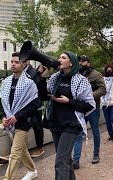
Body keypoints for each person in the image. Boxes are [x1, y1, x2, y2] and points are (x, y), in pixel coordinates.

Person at [46, 51, 95, 180]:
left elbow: (89, 105)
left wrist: (69, 101)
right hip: (56, 123)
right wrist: (41, 76)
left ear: (71, 62)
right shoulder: (55, 78)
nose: (59, 59)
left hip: (71, 124)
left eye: (63, 57)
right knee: (66, 159)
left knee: (60, 161)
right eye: (59, 57)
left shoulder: (81, 80)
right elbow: (43, 95)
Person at [0, 52, 40, 180]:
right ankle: (32, 171)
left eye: (16, 62)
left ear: (24, 64)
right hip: (9, 121)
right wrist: (3, 117)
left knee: (15, 153)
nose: (13, 64)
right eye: (12, 62)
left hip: (23, 122)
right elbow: (2, 102)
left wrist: (17, 116)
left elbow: (34, 105)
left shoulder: (29, 83)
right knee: (21, 149)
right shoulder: (6, 82)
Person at [73, 55, 106, 168]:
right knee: (78, 133)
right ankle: (76, 160)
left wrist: (89, 96)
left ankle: (96, 154)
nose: (80, 64)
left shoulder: (96, 75)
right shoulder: (77, 75)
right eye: (79, 62)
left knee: (95, 131)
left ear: (88, 63)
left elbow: (102, 89)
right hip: (81, 109)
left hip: (93, 109)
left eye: (82, 62)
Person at [101, 64, 113, 142]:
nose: (109, 71)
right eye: (107, 69)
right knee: (107, 120)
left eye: (110, 69)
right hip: (105, 103)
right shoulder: (102, 79)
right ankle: (111, 135)